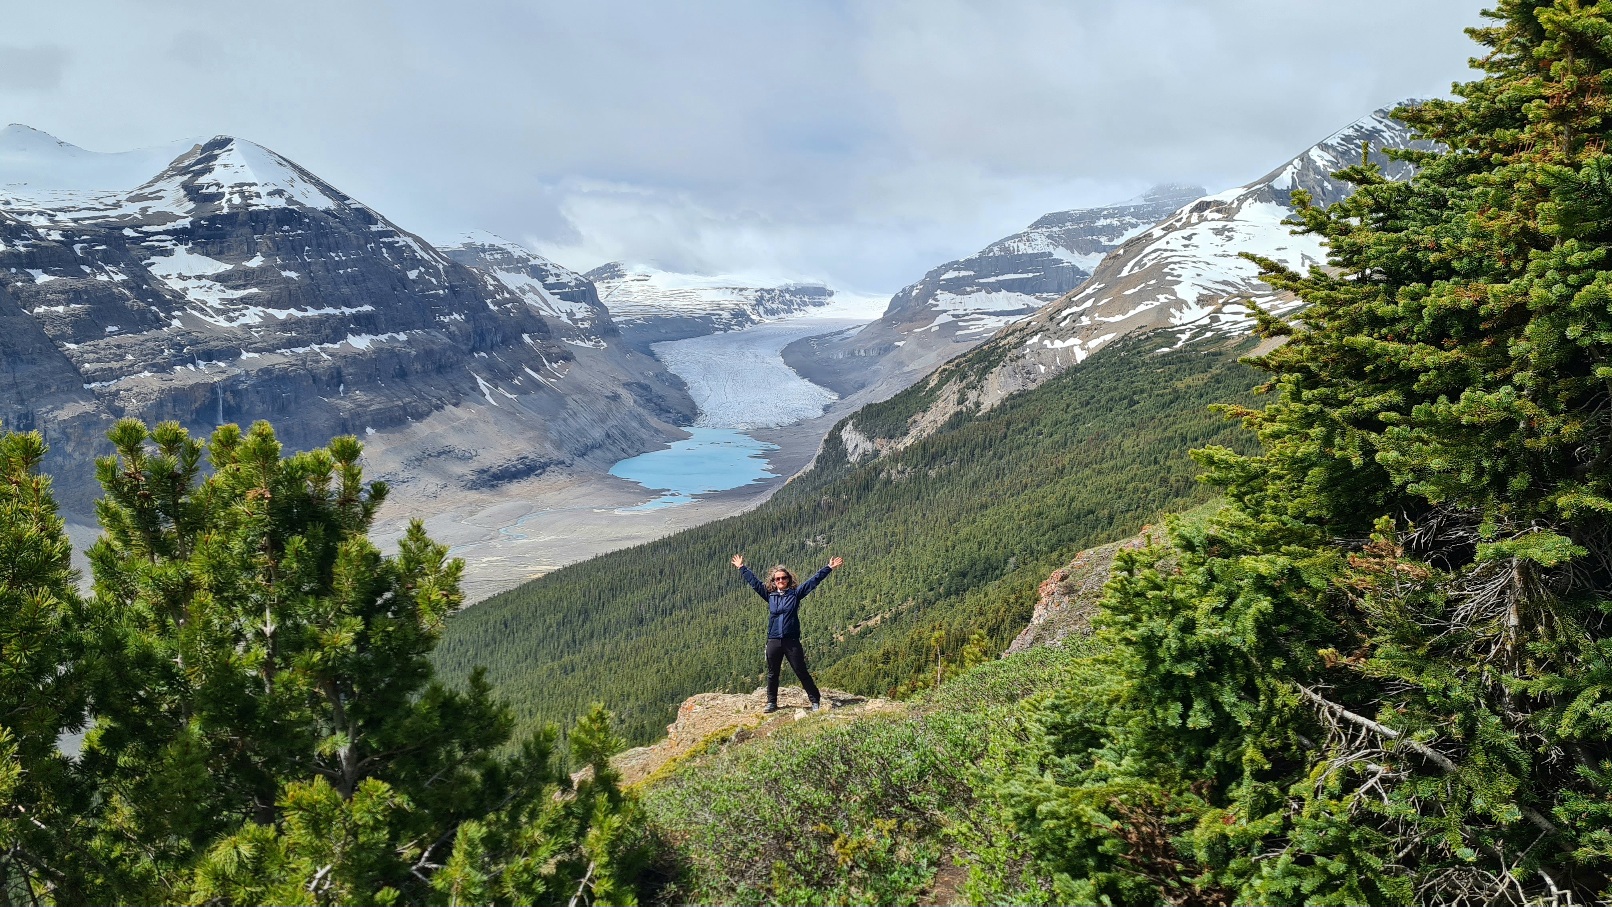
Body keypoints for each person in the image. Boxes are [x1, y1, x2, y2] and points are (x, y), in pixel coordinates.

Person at [731, 553, 844, 713]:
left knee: (801, 671)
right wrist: (742, 568)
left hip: (791, 640)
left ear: (788, 579)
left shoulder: (795, 594)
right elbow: (755, 584)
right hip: (774, 640)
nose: (781, 581)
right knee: (772, 673)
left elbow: (813, 581)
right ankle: (771, 702)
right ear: (773, 581)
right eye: (777, 579)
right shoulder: (770, 596)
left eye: (783, 578)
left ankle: (815, 701)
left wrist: (829, 568)